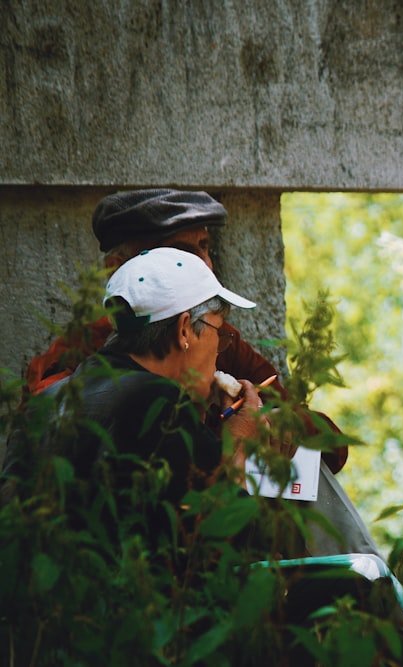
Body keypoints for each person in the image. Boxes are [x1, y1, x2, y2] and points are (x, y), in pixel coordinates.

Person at [22, 188, 380, 557]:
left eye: (206, 247)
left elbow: (328, 446)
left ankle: (370, 597)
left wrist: (281, 427)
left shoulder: (220, 339)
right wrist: (231, 437)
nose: (206, 266)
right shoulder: (83, 368)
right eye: (183, 254)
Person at [4, 248, 269, 548]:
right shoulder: (160, 404)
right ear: (184, 330)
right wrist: (239, 448)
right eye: (218, 332)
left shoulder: (54, 395)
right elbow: (236, 538)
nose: (220, 348)